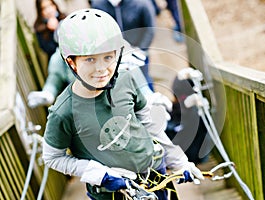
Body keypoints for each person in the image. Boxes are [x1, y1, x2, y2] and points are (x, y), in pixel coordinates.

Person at [42, 8, 204, 200]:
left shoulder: (126, 79)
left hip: (155, 176)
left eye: (108, 57)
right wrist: (97, 173)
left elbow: (151, 125)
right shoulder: (63, 112)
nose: (101, 68)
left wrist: (180, 162)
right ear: (71, 62)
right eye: (90, 59)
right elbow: (52, 157)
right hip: (113, 192)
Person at [90, 0, 156, 91]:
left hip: (138, 53)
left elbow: (150, 30)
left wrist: (139, 50)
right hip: (113, 55)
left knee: (143, 82)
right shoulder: (98, 4)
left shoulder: (142, 4)